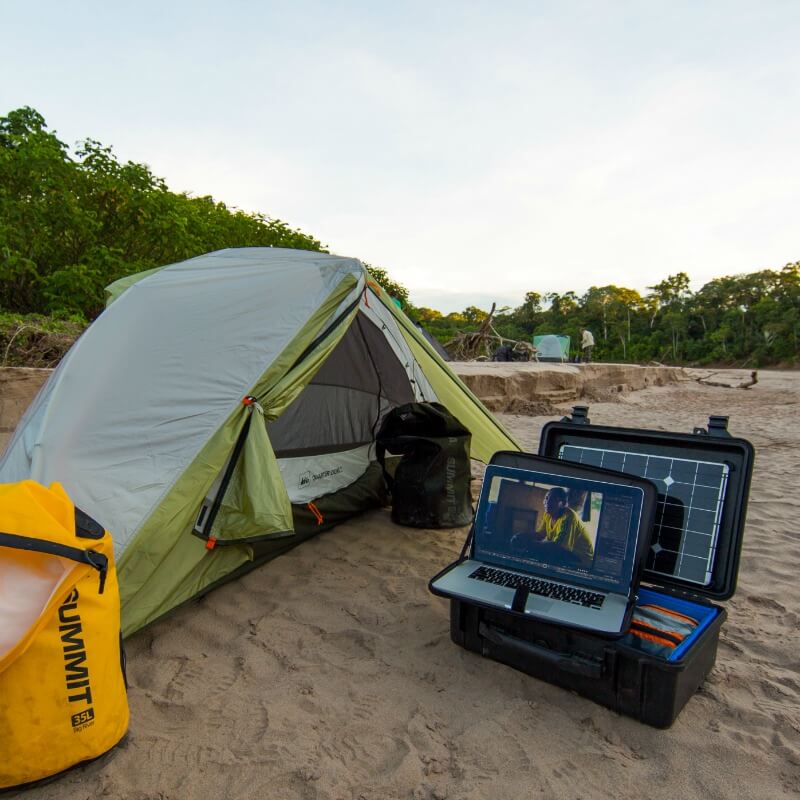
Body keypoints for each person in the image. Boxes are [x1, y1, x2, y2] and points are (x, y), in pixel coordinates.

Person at [535, 487, 594, 564]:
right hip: (566, 553)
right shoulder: (548, 515)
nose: (546, 502)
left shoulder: (569, 517)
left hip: (581, 560)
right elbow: (540, 534)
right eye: (546, 498)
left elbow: (559, 547)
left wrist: (534, 545)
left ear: (562, 503)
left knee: (545, 554)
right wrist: (520, 537)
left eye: (552, 499)